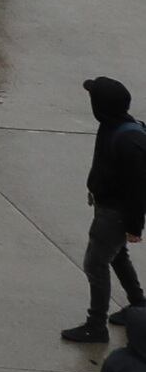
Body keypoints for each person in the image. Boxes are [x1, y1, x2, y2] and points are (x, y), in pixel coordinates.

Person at [73, 79, 146, 347]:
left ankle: (96, 325)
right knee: (116, 256)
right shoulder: (113, 124)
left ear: (102, 106)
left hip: (115, 213)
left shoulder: (129, 139)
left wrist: (135, 226)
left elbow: (138, 187)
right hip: (108, 207)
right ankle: (139, 304)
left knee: (95, 263)